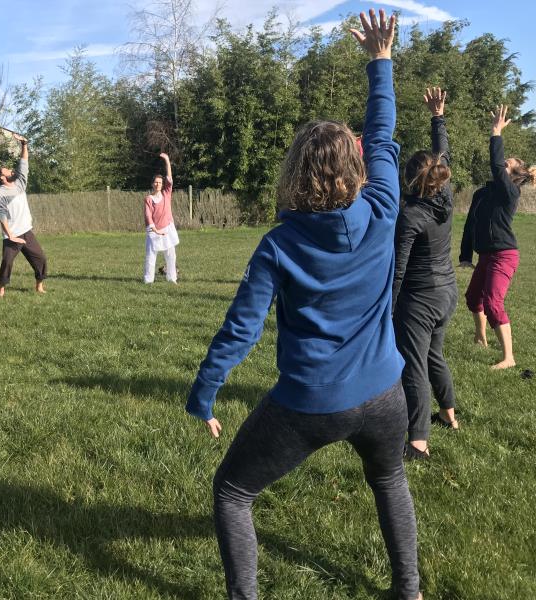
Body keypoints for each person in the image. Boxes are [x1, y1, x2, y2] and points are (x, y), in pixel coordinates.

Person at [186, 11, 422, 600]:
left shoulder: (279, 244)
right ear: (358, 167)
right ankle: (409, 590)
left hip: (311, 401)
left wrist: (204, 391)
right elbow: (384, 130)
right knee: (389, 479)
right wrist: (380, 62)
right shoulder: (385, 204)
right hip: (388, 393)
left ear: (296, 171)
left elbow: (241, 330)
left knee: (233, 491)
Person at [392, 87, 459, 460]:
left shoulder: (410, 216)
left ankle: (418, 442)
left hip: (419, 300)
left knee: (414, 365)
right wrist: (438, 117)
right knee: (435, 355)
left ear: (409, 180)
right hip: (446, 292)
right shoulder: (445, 199)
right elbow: (443, 154)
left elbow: (398, 271)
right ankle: (449, 414)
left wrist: (388, 309)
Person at [459, 105, 536, 369]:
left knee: (493, 302)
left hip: (504, 255)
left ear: (512, 176)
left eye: (506, 165)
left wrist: (496, 132)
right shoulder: (482, 193)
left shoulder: (509, 194)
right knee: (472, 299)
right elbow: (471, 223)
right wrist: (465, 255)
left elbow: (495, 162)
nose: (501, 167)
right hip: (485, 255)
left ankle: (509, 358)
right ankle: (481, 338)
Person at [0, 133, 47, 297]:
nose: (11, 170)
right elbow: (2, 218)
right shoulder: (0, 195)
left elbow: (24, 163)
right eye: (7, 170)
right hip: (12, 235)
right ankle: (1, 289)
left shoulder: (20, 183)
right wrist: (11, 236)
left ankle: (39, 286)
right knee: (7, 262)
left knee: (41, 258)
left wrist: (24, 145)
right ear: (2, 177)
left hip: (26, 231)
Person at [143, 152, 178, 284]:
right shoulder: (149, 199)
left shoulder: (167, 193)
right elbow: (148, 216)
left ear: (162, 185)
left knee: (171, 256)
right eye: (156, 182)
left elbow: (169, 178)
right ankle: (148, 280)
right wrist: (156, 230)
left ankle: (172, 278)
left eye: (160, 182)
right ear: (152, 184)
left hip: (167, 229)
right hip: (154, 232)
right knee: (151, 257)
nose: (158, 184)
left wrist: (167, 161)